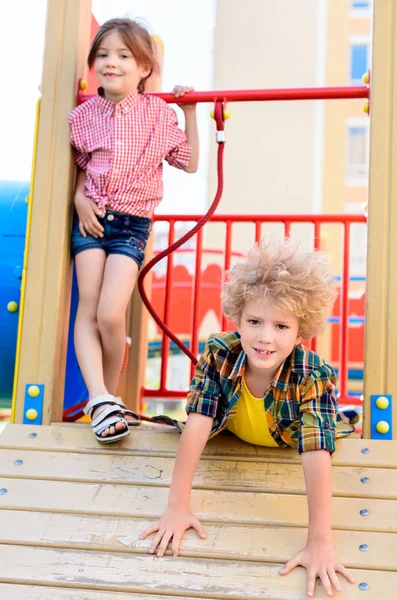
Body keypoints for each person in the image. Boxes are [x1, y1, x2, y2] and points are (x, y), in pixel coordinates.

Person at [140, 237, 356, 598]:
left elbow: (317, 454)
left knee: (332, 425)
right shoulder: (220, 353)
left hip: (286, 439)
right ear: (237, 316)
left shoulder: (311, 373)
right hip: (234, 431)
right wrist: (177, 506)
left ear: (301, 331)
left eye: (281, 327)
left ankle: (344, 412)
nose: (265, 337)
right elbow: (197, 421)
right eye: (254, 321)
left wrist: (319, 542)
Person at [69, 18, 199, 443]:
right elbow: (82, 169)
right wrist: (78, 197)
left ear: (144, 67)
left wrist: (190, 112)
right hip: (92, 218)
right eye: (103, 55)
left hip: (130, 225)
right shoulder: (83, 115)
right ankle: (101, 399)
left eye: (124, 56)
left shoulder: (157, 113)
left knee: (110, 314)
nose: (112, 63)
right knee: (88, 309)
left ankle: (107, 397)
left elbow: (190, 162)